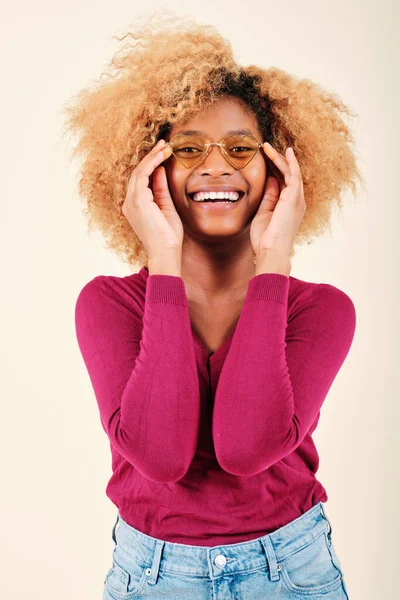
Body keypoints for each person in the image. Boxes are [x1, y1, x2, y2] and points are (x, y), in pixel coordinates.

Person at [63, 11, 362, 599]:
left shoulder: (321, 312)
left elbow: (246, 448)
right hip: (152, 574)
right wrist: (164, 259)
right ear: (149, 169)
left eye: (241, 147)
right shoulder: (109, 304)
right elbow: (161, 455)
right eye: (188, 148)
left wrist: (275, 260)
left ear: (281, 168)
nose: (216, 165)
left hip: (292, 570)